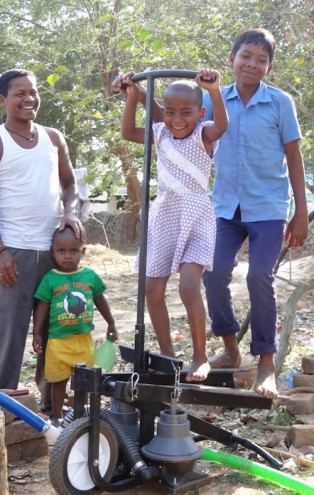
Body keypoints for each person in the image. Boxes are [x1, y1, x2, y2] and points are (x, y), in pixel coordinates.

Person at [114, 28, 308, 398]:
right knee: (214, 275)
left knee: (259, 278)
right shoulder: (209, 95)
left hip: (267, 205)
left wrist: (300, 212)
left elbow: (294, 156)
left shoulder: (279, 102)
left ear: (270, 66)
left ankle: (264, 361)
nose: (252, 64)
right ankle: (231, 349)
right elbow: (171, 121)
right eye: (245, 56)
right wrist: (137, 96)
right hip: (222, 207)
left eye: (261, 59)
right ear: (232, 58)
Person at [115, 69, 228, 382]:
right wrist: (131, 96)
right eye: (170, 112)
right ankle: (167, 355)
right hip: (165, 214)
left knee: (189, 285)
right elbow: (127, 132)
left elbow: (223, 125)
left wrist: (214, 90)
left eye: (186, 113)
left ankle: (200, 356)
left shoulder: (203, 134)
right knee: (152, 289)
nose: (178, 120)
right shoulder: (160, 133)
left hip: (196, 216)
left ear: (199, 113)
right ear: (163, 112)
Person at [0, 69, 85, 413]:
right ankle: (5, 408)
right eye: (19, 93)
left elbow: (69, 185)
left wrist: (71, 212)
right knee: (10, 332)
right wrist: (2, 250)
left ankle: (50, 406)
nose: (29, 99)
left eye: (33, 92)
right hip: (14, 252)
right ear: (3, 100)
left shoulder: (53, 138)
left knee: (55, 330)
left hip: (54, 251)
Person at [32, 226, 117, 422]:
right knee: (58, 382)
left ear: (83, 251)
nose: (67, 256)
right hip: (57, 342)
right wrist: (37, 333)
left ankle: (81, 415)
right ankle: (58, 417)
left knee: (84, 382)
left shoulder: (89, 276)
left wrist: (111, 322)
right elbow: (42, 307)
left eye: (74, 251)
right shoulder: (50, 278)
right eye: (61, 251)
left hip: (83, 340)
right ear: (53, 253)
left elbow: (100, 299)